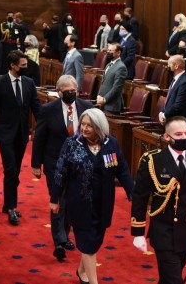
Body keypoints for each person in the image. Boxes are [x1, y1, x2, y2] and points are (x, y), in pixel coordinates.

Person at [50, 108, 134, 284]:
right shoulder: (72, 143)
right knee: (88, 243)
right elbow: (60, 171)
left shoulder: (111, 144)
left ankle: (81, 271)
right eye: (83, 124)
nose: (85, 128)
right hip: (79, 203)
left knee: (94, 241)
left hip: (103, 204)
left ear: (100, 126)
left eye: (90, 125)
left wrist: (132, 192)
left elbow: (123, 170)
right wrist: (54, 198)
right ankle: (93, 281)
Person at [131, 116, 186, 284]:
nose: (184, 138)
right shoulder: (153, 160)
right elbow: (140, 198)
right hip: (164, 231)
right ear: (167, 137)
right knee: (174, 280)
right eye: (179, 134)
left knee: (168, 279)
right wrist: (138, 232)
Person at [31, 75, 93, 261]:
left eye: (74, 91)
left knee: (71, 199)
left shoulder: (87, 108)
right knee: (57, 199)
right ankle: (59, 240)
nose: (71, 94)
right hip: (54, 163)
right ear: (59, 92)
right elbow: (39, 137)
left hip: (79, 165)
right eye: (67, 92)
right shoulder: (48, 110)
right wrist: (36, 164)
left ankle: (64, 234)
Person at [0, 50, 41, 226]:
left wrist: (47, 126)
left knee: (15, 170)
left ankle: (7, 202)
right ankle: (11, 207)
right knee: (10, 170)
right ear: (13, 65)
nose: (26, 68)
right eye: (22, 66)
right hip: (4, 133)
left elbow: (36, 109)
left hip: (22, 134)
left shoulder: (29, 83)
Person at [159, 55, 186, 130]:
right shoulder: (176, 79)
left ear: (176, 66)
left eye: (169, 65)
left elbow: (178, 106)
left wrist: (165, 115)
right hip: (171, 123)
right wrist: (161, 113)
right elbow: (169, 100)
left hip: (179, 126)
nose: (167, 67)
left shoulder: (185, 82)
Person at [96, 43, 128, 115]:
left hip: (112, 106)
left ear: (118, 52)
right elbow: (104, 82)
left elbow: (117, 88)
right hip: (103, 103)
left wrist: (105, 99)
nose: (108, 52)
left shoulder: (121, 67)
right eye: (108, 50)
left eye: (111, 51)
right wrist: (99, 95)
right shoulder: (108, 64)